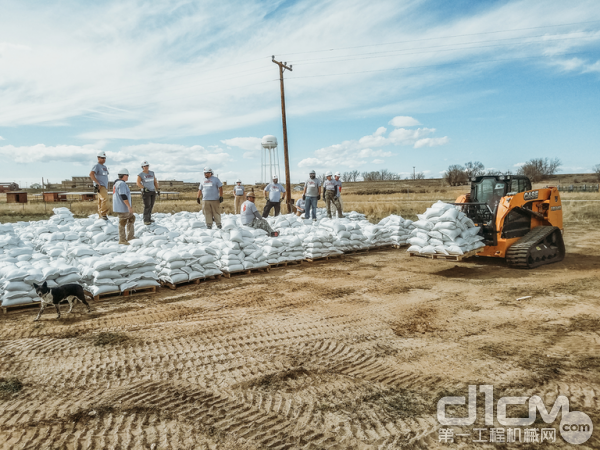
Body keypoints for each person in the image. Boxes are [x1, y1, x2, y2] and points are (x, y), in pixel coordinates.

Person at [113, 168, 135, 245]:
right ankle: (122, 239)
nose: (128, 177)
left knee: (131, 218)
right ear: (124, 175)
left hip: (120, 207)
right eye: (127, 175)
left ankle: (130, 237)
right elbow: (123, 195)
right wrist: (129, 206)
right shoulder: (122, 184)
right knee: (123, 222)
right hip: (123, 207)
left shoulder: (116, 183)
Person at [136, 160, 160, 225]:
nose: (146, 167)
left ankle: (149, 218)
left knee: (151, 205)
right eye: (144, 166)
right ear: (142, 167)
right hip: (146, 192)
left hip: (152, 191)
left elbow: (155, 181)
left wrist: (157, 189)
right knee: (147, 206)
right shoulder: (140, 175)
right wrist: (143, 188)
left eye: (147, 165)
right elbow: (138, 183)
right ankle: (146, 220)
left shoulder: (152, 173)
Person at [89, 151, 110, 220]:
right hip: (100, 186)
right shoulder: (96, 166)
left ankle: (100, 215)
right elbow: (91, 174)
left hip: (104, 186)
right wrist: (97, 183)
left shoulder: (104, 167)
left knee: (100, 201)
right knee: (105, 198)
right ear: (98, 158)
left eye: (104, 158)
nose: (104, 159)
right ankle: (103, 214)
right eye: (102, 158)